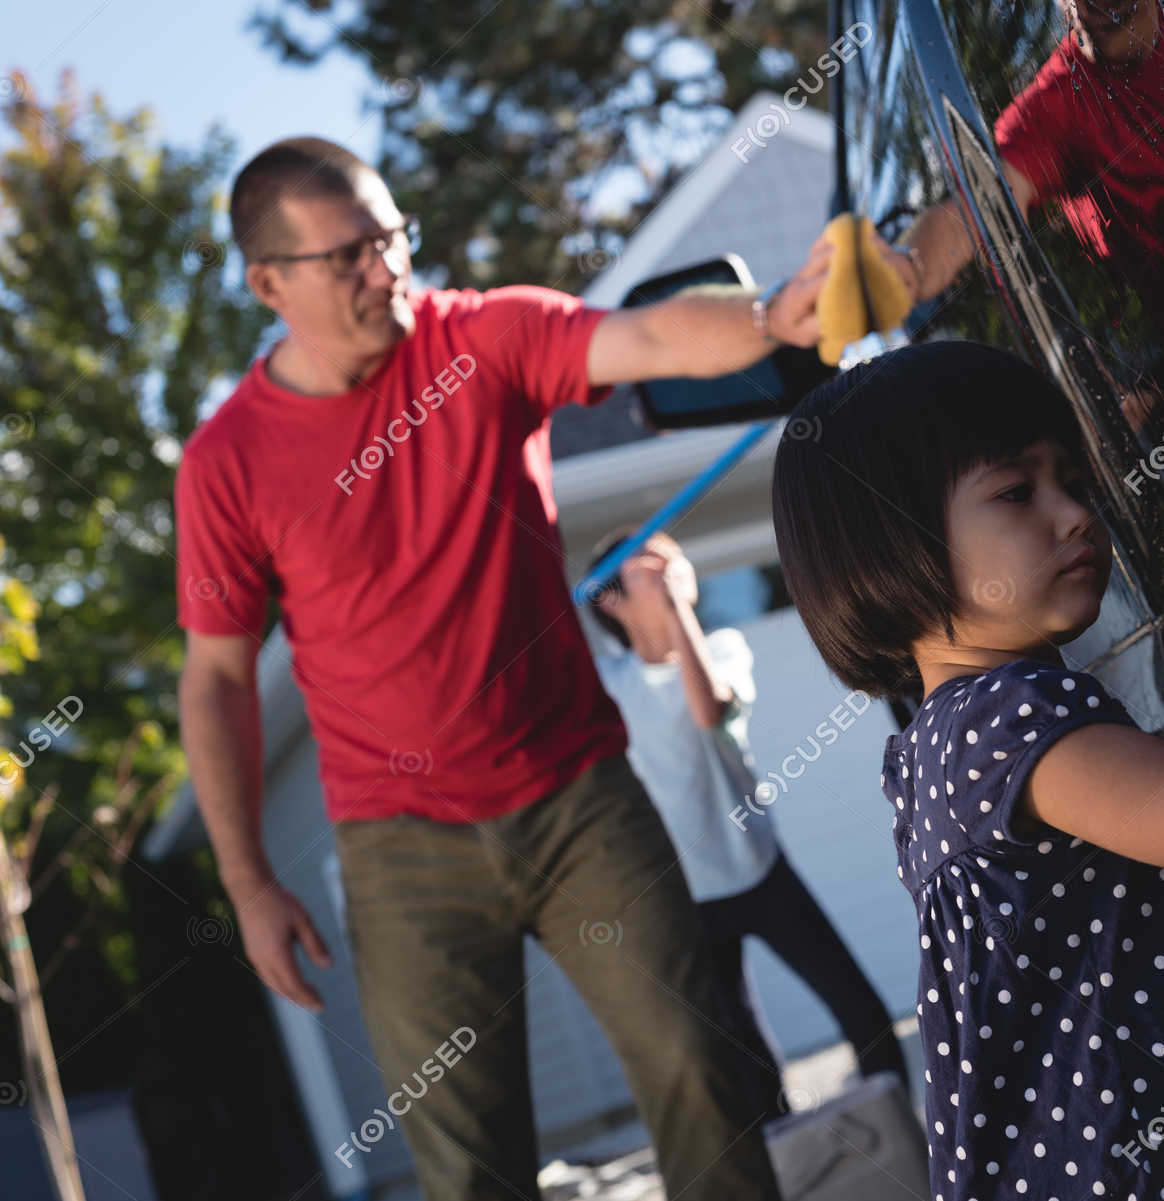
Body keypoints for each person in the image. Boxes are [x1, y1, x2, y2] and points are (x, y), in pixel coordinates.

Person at [174, 135, 839, 1201]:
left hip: (582, 804)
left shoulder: (484, 340)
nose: (387, 270)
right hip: (402, 855)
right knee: (470, 1169)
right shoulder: (227, 465)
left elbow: (650, 334)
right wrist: (248, 882)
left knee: (703, 1076)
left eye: (392, 238)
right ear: (268, 284)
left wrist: (767, 323)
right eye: (348, 257)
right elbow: (213, 681)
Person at [769, 340, 1164, 1198]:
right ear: (891, 546)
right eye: (1019, 492)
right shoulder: (1000, 718)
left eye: (1075, 481)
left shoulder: (951, 735)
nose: (1074, 514)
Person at [582, 527, 912, 1115]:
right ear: (611, 601)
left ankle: (900, 1143)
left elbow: (708, 709)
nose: (674, 568)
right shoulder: (610, 687)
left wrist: (674, 608)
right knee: (748, 1059)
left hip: (761, 870)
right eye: (649, 567)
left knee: (860, 1012)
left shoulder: (726, 648)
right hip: (688, 897)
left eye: (674, 558)